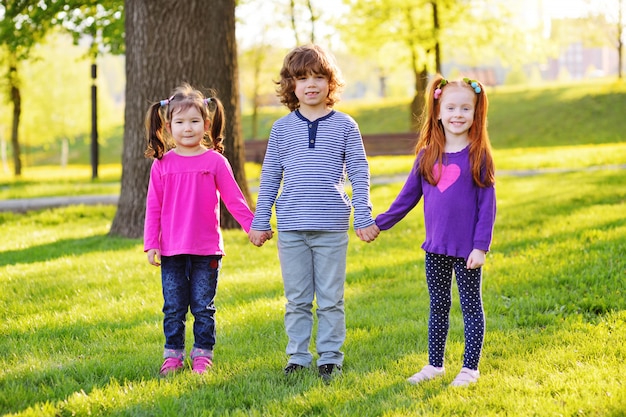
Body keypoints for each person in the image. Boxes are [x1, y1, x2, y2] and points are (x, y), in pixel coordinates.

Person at [248, 44, 379, 381]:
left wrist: (363, 214)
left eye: (319, 77)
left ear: (330, 84)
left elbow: (359, 172)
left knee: (331, 299)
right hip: (291, 228)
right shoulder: (281, 129)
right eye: (302, 78)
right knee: (297, 300)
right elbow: (270, 177)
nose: (311, 84)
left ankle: (330, 358)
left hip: (331, 227)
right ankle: (298, 357)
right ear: (290, 85)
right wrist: (260, 221)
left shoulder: (346, 125)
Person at [375, 76, 496, 387]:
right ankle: (435, 365)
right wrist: (380, 223)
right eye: (451, 107)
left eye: (465, 108)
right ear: (438, 112)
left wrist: (480, 247)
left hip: (467, 250)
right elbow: (407, 197)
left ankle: (470, 368)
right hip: (435, 248)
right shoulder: (427, 155)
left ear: (476, 113)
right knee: (438, 307)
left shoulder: (479, 156)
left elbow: (487, 207)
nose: (458, 114)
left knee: (470, 306)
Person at [143, 83, 272, 376]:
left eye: (194, 121)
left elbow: (235, 200)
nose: (187, 128)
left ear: (207, 124)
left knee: (203, 307)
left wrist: (255, 228)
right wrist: (152, 242)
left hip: (207, 250)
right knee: (174, 308)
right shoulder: (162, 164)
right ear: (168, 126)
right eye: (180, 122)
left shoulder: (216, 161)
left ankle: (202, 354)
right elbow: (153, 207)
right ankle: (173, 356)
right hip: (172, 249)